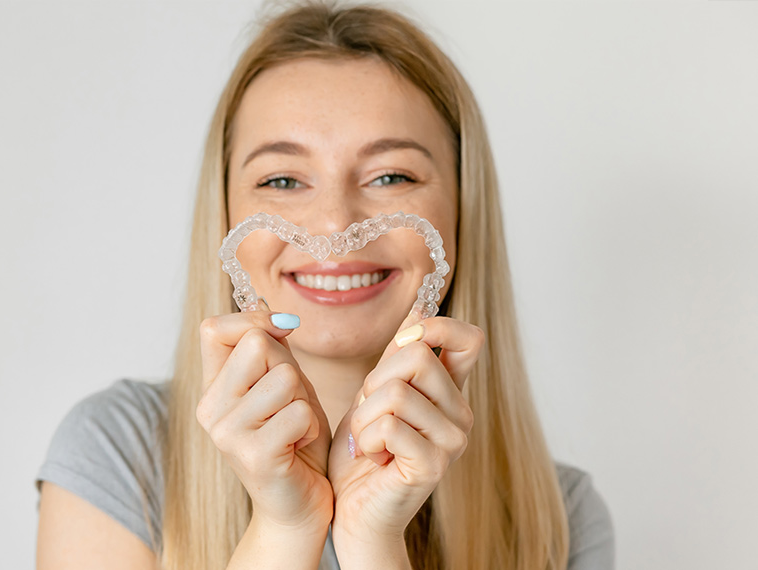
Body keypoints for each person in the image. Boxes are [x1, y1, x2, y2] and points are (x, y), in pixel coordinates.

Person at [34, 1, 616, 569]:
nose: (336, 224)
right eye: (283, 179)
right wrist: (285, 529)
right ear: (225, 210)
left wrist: (374, 541)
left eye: (391, 175)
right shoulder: (117, 455)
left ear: (463, 208)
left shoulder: (558, 520)